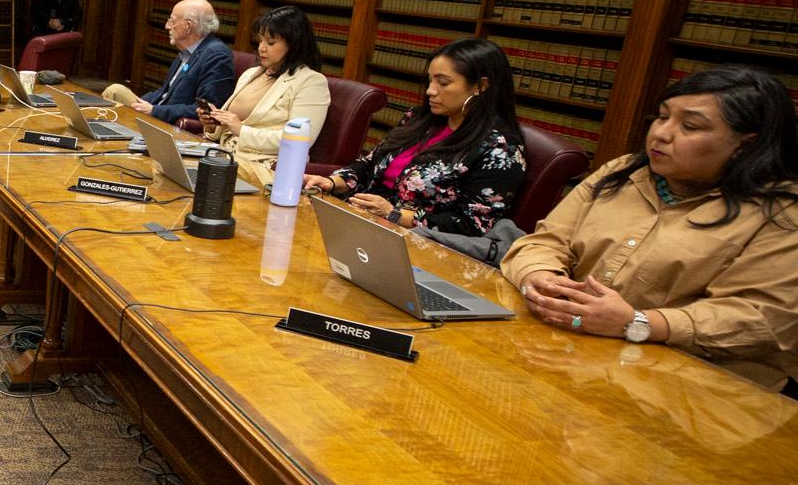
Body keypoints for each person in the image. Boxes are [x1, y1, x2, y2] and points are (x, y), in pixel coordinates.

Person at [500, 65, 798, 393]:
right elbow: (545, 240)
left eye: (690, 126)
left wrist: (638, 323)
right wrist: (539, 277)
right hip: (576, 355)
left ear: (745, 145)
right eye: (661, 116)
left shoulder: (781, 213)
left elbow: (759, 318)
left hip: (696, 390)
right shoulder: (622, 172)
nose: (662, 134)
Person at [304, 37, 525, 238]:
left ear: (480, 86)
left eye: (443, 83)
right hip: (359, 225)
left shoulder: (500, 149)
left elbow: (472, 225)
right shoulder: (418, 119)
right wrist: (333, 182)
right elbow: (370, 162)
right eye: (430, 81)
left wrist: (395, 215)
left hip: (416, 246)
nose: (430, 90)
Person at [200, 5, 330, 187]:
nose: (261, 48)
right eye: (260, 41)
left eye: (270, 43)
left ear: (294, 44)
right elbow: (231, 127)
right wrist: (214, 124)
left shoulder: (311, 82)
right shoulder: (251, 73)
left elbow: (300, 141)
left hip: (263, 167)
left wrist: (240, 130)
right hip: (224, 155)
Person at [123, 0, 234, 124]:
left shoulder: (217, 55)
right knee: (116, 92)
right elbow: (164, 92)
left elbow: (207, 110)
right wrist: (139, 103)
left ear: (188, 26)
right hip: (155, 114)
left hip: (167, 125)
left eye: (172, 21)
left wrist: (154, 110)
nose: (167, 26)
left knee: (115, 95)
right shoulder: (186, 51)